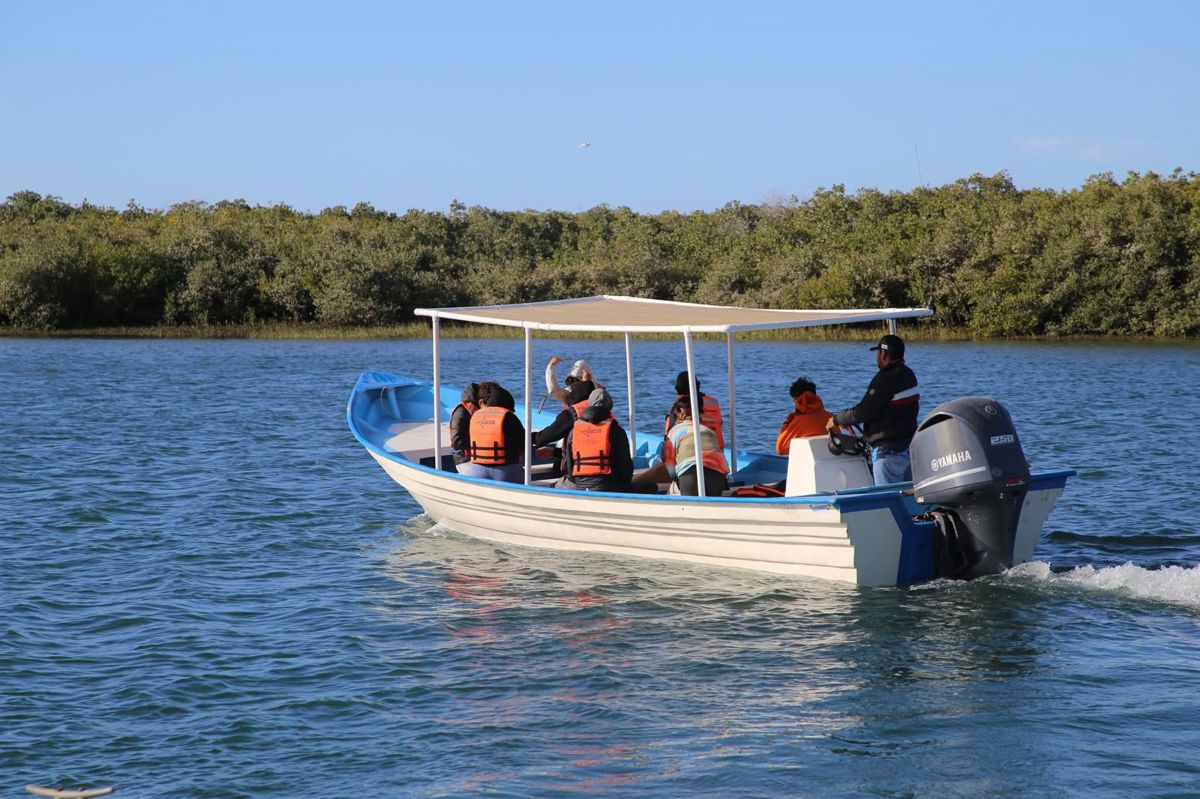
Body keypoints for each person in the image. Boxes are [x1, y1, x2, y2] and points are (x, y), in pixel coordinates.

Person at [825, 334, 919, 485]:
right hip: (909, 449)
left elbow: (863, 411)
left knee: (888, 502)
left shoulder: (884, 379)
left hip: (888, 453)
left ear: (882, 354)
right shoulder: (909, 375)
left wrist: (837, 419)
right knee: (910, 500)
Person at [558, 388, 634, 491]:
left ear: (589, 405)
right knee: (650, 486)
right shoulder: (616, 431)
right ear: (609, 407)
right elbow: (626, 470)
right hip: (610, 487)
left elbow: (570, 469)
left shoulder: (574, 431)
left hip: (581, 487)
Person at [664, 398, 730, 496]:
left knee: (676, 496)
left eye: (675, 417)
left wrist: (678, 482)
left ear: (681, 411)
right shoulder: (709, 431)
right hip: (718, 474)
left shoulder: (674, 432)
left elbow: (670, 467)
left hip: (691, 473)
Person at [465, 381, 526, 483]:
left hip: (477, 471)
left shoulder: (474, 417)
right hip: (506, 472)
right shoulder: (508, 417)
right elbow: (523, 443)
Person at [775, 376, 834, 456]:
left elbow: (780, 449)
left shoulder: (796, 421)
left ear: (797, 400)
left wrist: (787, 423)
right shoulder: (832, 419)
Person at [667, 371, 724, 448]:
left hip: (694, 454)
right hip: (719, 452)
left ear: (678, 389)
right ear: (698, 385)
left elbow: (669, 437)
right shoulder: (714, 402)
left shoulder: (679, 407)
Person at [449, 382, 480, 474]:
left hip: (474, 457)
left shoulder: (470, 412)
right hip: (464, 460)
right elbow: (457, 441)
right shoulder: (461, 412)